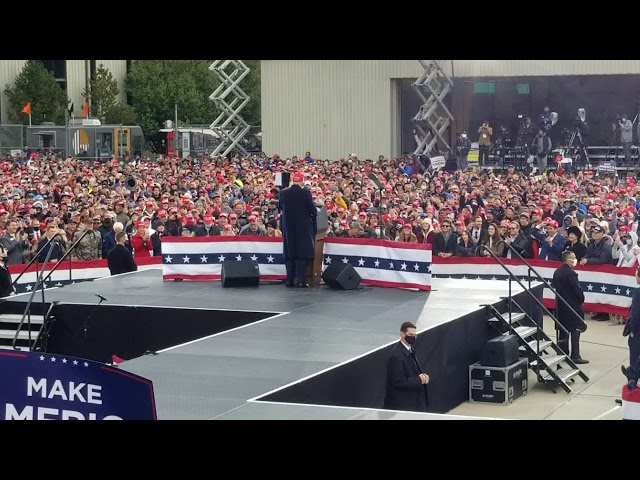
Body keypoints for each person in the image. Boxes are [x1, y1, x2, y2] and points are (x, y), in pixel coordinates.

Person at [278, 171, 317, 288]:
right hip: (303, 228)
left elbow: (280, 207)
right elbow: (312, 210)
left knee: (290, 254)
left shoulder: (284, 193)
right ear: (301, 181)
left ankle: (289, 280)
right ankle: (301, 280)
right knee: (302, 253)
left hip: (288, 227)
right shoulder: (305, 193)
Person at [383, 321, 429, 413]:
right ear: (402, 334)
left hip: (413, 404)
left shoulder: (410, 350)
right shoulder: (396, 356)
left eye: (415, 335)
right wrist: (419, 380)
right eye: (411, 335)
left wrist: (422, 377)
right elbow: (398, 381)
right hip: (403, 406)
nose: (414, 337)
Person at [552, 251, 589, 364]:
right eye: (573, 258)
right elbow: (576, 289)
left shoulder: (557, 272)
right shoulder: (571, 273)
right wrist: (581, 298)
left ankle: (562, 352)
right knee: (575, 330)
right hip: (572, 304)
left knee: (563, 329)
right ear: (568, 260)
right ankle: (575, 355)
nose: (575, 259)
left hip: (560, 304)